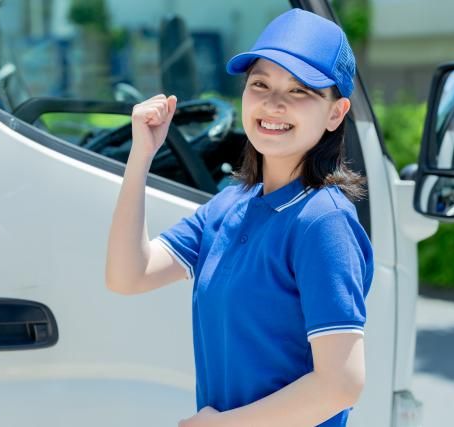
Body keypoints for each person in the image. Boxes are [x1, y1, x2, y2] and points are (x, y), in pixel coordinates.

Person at [105, 8, 373, 427]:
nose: (274, 103)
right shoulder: (229, 205)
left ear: (335, 113)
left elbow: (341, 384)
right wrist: (141, 155)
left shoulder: (323, 221)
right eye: (260, 84)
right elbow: (128, 275)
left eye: (299, 91)